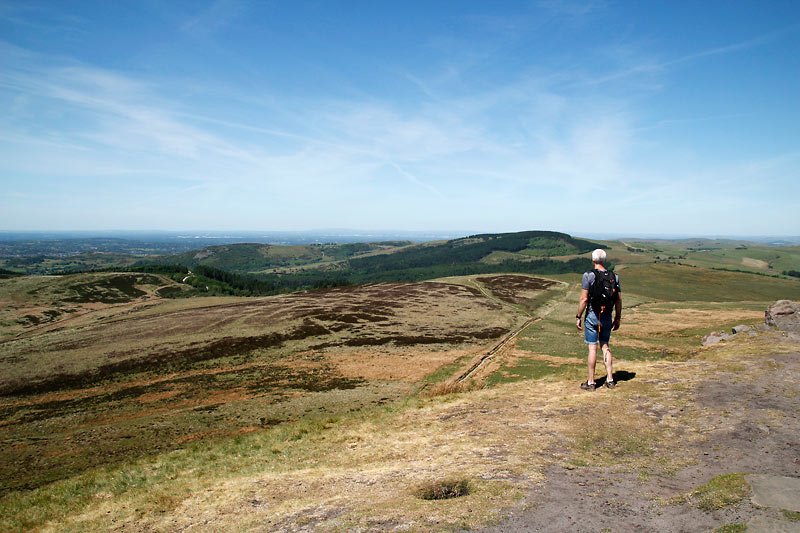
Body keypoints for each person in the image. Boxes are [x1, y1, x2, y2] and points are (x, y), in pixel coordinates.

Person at [575, 249, 621, 390]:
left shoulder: (588, 276)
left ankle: (591, 382)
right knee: (605, 346)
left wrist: (578, 316)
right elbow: (618, 300)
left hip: (592, 315)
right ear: (604, 260)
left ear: (593, 260)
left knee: (592, 348)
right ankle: (610, 379)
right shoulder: (614, 277)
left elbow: (583, 299)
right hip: (607, 315)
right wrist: (617, 317)